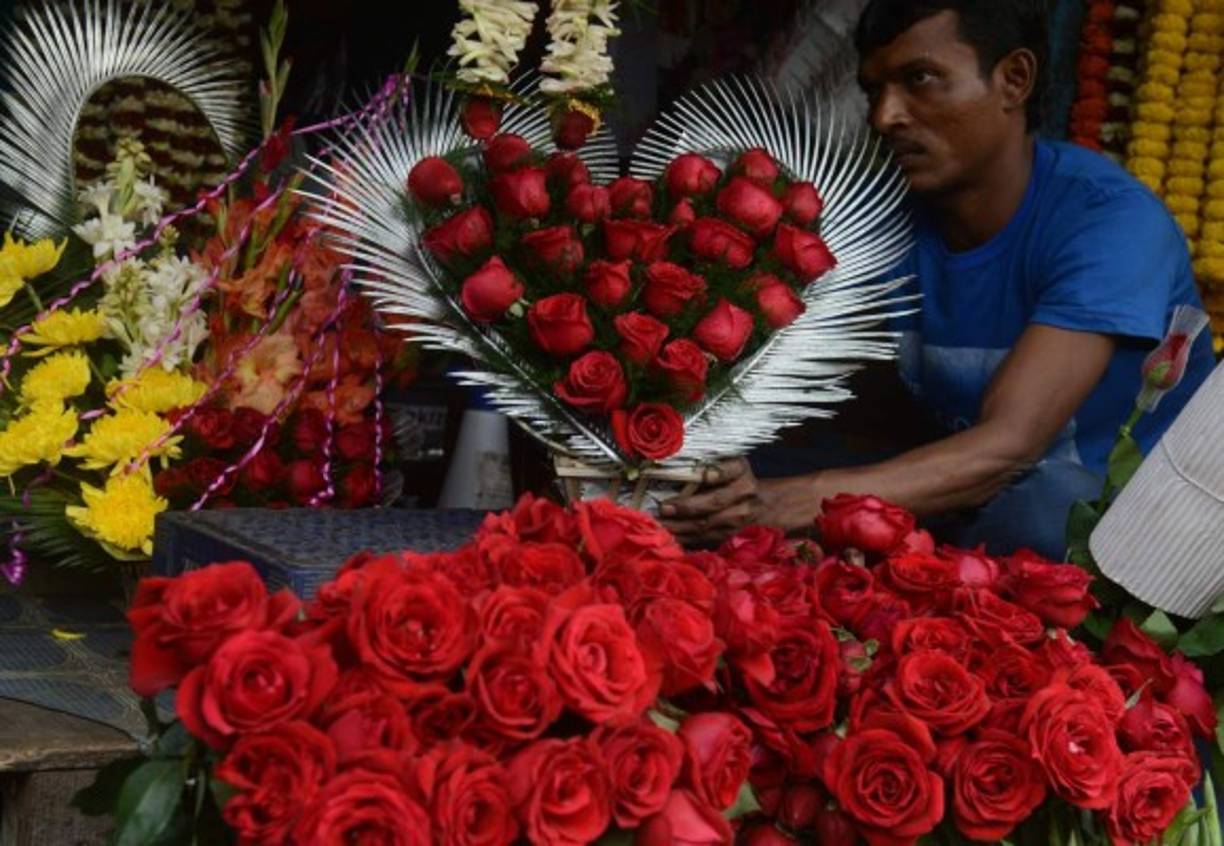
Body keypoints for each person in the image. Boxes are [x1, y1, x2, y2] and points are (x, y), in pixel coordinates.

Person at [659, 0, 1216, 558]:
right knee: (736, 465)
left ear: (1013, 80)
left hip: (1136, 542)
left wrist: (783, 506)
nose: (885, 117)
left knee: (1052, 502)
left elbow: (1009, 447)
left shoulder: (1108, 220)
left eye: (920, 80)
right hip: (977, 507)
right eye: (874, 90)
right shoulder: (889, 218)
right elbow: (853, 403)